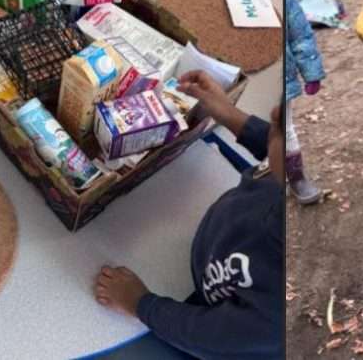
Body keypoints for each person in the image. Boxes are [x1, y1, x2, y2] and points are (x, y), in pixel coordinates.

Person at [94, 70, 284, 360]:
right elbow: (273, 148)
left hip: (205, 320)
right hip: (217, 250)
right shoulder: (289, 165)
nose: (273, 112)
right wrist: (230, 114)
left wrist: (140, 304)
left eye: (284, 125)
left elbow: (212, 337)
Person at [284, 0, 325, 205]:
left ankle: (296, 177)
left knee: (285, 128)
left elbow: (300, 35)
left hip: (282, 76)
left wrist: (311, 72)